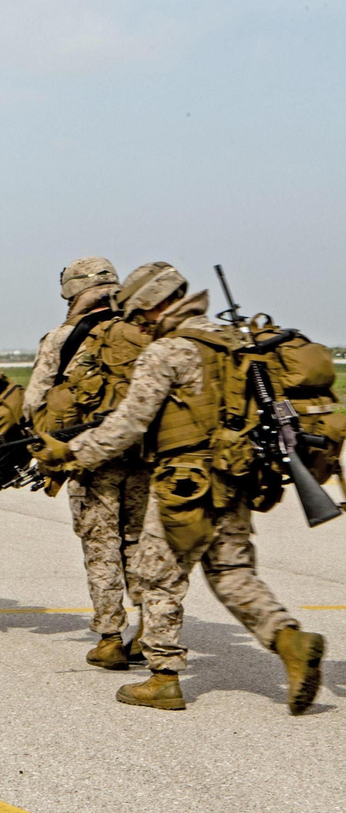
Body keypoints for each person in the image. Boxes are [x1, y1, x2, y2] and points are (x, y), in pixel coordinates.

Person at [33, 262, 327, 713]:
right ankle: (289, 640)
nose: (140, 324)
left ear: (152, 306)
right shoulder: (236, 341)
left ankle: (163, 677)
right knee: (232, 572)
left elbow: (129, 423)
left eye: (140, 315)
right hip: (236, 474)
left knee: (156, 575)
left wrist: (73, 454)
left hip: (183, 482)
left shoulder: (168, 351)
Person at [25, 257, 152, 669]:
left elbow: (34, 402)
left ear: (70, 291)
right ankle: (151, 631)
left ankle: (110, 637)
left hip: (87, 458)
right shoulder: (141, 330)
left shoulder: (62, 337)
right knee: (139, 542)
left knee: (101, 547)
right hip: (141, 454)